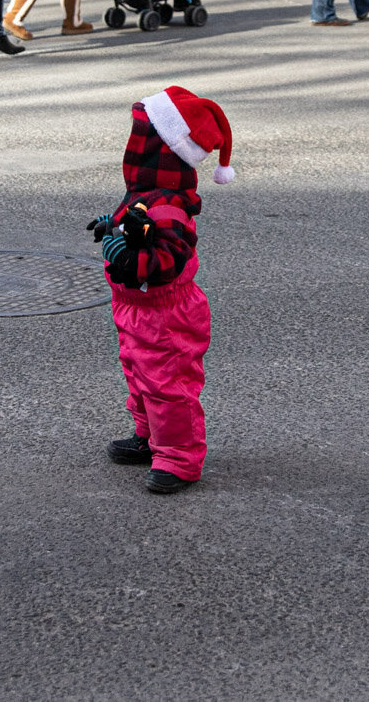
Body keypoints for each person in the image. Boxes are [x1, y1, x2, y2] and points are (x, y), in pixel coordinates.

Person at [87, 85, 234, 495]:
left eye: (140, 140)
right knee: (139, 374)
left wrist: (122, 252)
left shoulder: (168, 207)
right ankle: (150, 437)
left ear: (160, 151)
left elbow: (164, 261)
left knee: (168, 385)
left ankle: (180, 458)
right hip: (135, 308)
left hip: (166, 314)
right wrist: (110, 223)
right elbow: (132, 218)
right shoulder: (145, 195)